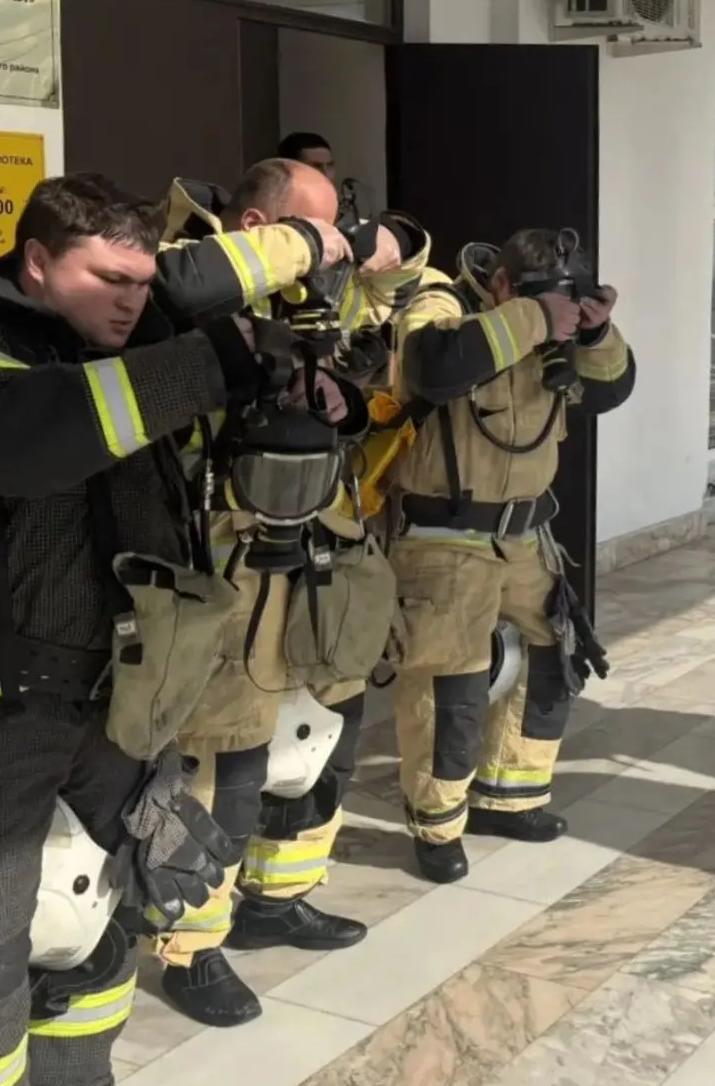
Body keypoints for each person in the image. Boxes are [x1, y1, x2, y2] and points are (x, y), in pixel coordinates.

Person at [0, 174, 283, 1086]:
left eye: (142, 281)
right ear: (38, 262)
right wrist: (205, 363)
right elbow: (23, 435)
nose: (130, 301)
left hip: (111, 698)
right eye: (107, 279)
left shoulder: (118, 353)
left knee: (108, 895)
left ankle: (69, 1085)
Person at [141, 160, 417, 1028]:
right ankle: (192, 946)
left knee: (326, 738)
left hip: (321, 553)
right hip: (229, 568)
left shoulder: (312, 292)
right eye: (318, 230)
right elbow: (175, 299)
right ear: (264, 226)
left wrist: (333, 383)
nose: (333, 249)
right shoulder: (183, 270)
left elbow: (399, 278)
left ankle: (278, 898)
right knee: (225, 764)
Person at [381, 230, 635, 883]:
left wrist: (592, 333)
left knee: (550, 658)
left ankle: (508, 796)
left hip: (524, 534)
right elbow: (434, 368)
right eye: (538, 300)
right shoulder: (438, 303)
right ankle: (437, 823)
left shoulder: (557, 324)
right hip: (444, 535)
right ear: (500, 284)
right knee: (452, 682)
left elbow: (608, 393)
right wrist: (534, 317)